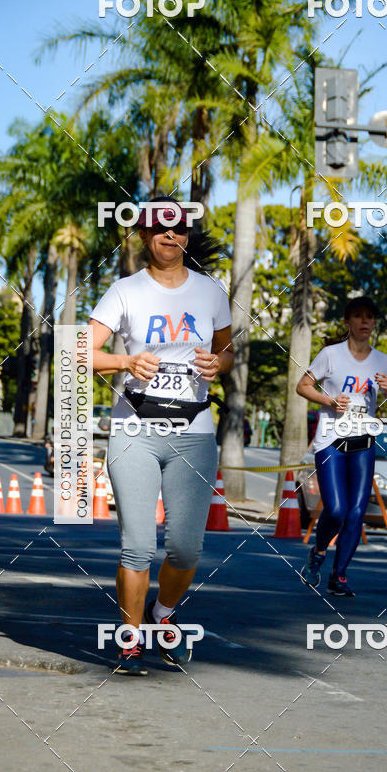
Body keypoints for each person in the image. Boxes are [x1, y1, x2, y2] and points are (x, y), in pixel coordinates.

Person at [88, 197, 234, 674]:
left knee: (187, 547)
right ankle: (130, 638)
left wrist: (219, 363)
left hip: (193, 430)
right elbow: (80, 353)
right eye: (159, 230)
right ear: (144, 235)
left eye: (178, 230)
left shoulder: (210, 291)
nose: (170, 237)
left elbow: (226, 352)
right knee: (136, 544)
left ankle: (162, 614)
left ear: (186, 237)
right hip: (135, 427)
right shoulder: (124, 291)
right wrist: (126, 361)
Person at [296, 296, 387, 596]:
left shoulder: (382, 361)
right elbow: (302, 385)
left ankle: (339, 575)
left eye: (370, 317)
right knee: (337, 508)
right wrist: (330, 401)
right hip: (331, 439)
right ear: (348, 322)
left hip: (363, 441)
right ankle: (318, 553)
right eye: (358, 316)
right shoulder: (331, 354)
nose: (365, 322)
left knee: (356, 512)